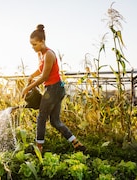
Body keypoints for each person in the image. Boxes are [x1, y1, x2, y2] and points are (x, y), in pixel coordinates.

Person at [22, 24, 86, 153]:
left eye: (35, 44)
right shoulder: (40, 54)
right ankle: (76, 143)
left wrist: (27, 88)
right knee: (55, 121)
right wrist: (31, 76)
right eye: (31, 45)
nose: (33, 47)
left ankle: (38, 149)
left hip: (54, 89)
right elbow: (41, 70)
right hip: (55, 89)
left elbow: (45, 76)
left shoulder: (49, 54)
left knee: (41, 117)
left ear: (42, 41)